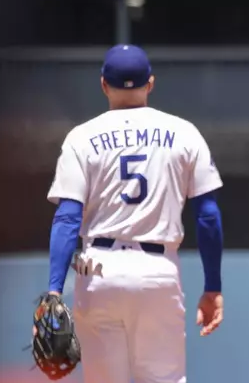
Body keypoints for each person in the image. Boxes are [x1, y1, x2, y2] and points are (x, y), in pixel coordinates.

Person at [43, 44, 225, 383]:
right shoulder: (184, 133)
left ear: (103, 85)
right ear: (151, 83)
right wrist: (212, 285)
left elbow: (68, 217)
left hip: (99, 271)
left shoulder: (81, 138)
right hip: (158, 270)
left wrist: (55, 288)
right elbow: (207, 216)